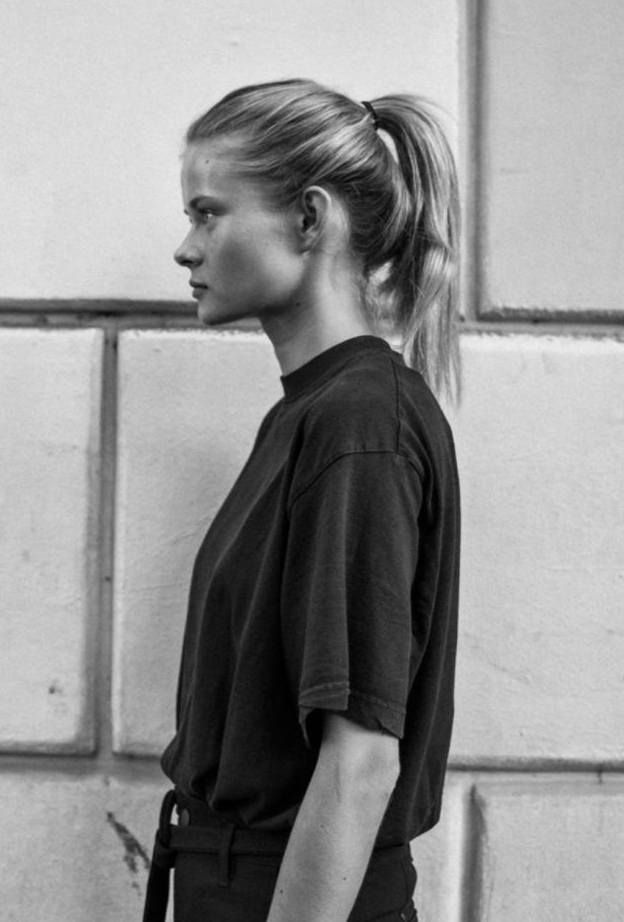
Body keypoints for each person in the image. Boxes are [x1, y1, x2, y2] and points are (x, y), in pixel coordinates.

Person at [142, 78, 461, 922]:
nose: (185, 248)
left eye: (208, 214)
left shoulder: (359, 424)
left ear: (311, 219)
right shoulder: (312, 414)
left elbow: (360, 764)